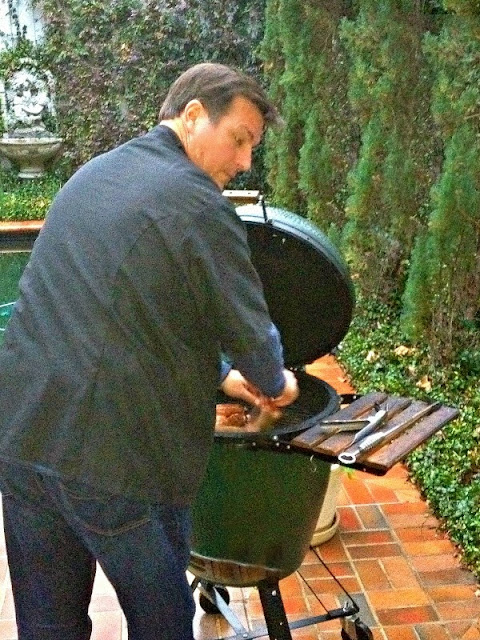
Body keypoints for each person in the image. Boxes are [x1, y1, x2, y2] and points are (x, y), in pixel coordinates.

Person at [0, 62, 299, 640]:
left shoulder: (94, 175)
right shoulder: (198, 204)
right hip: (116, 462)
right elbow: (251, 330)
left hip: (21, 438)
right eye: (240, 140)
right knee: (162, 622)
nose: (244, 161)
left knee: (47, 625)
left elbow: (117, 310)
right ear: (192, 116)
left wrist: (222, 377)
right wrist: (273, 380)